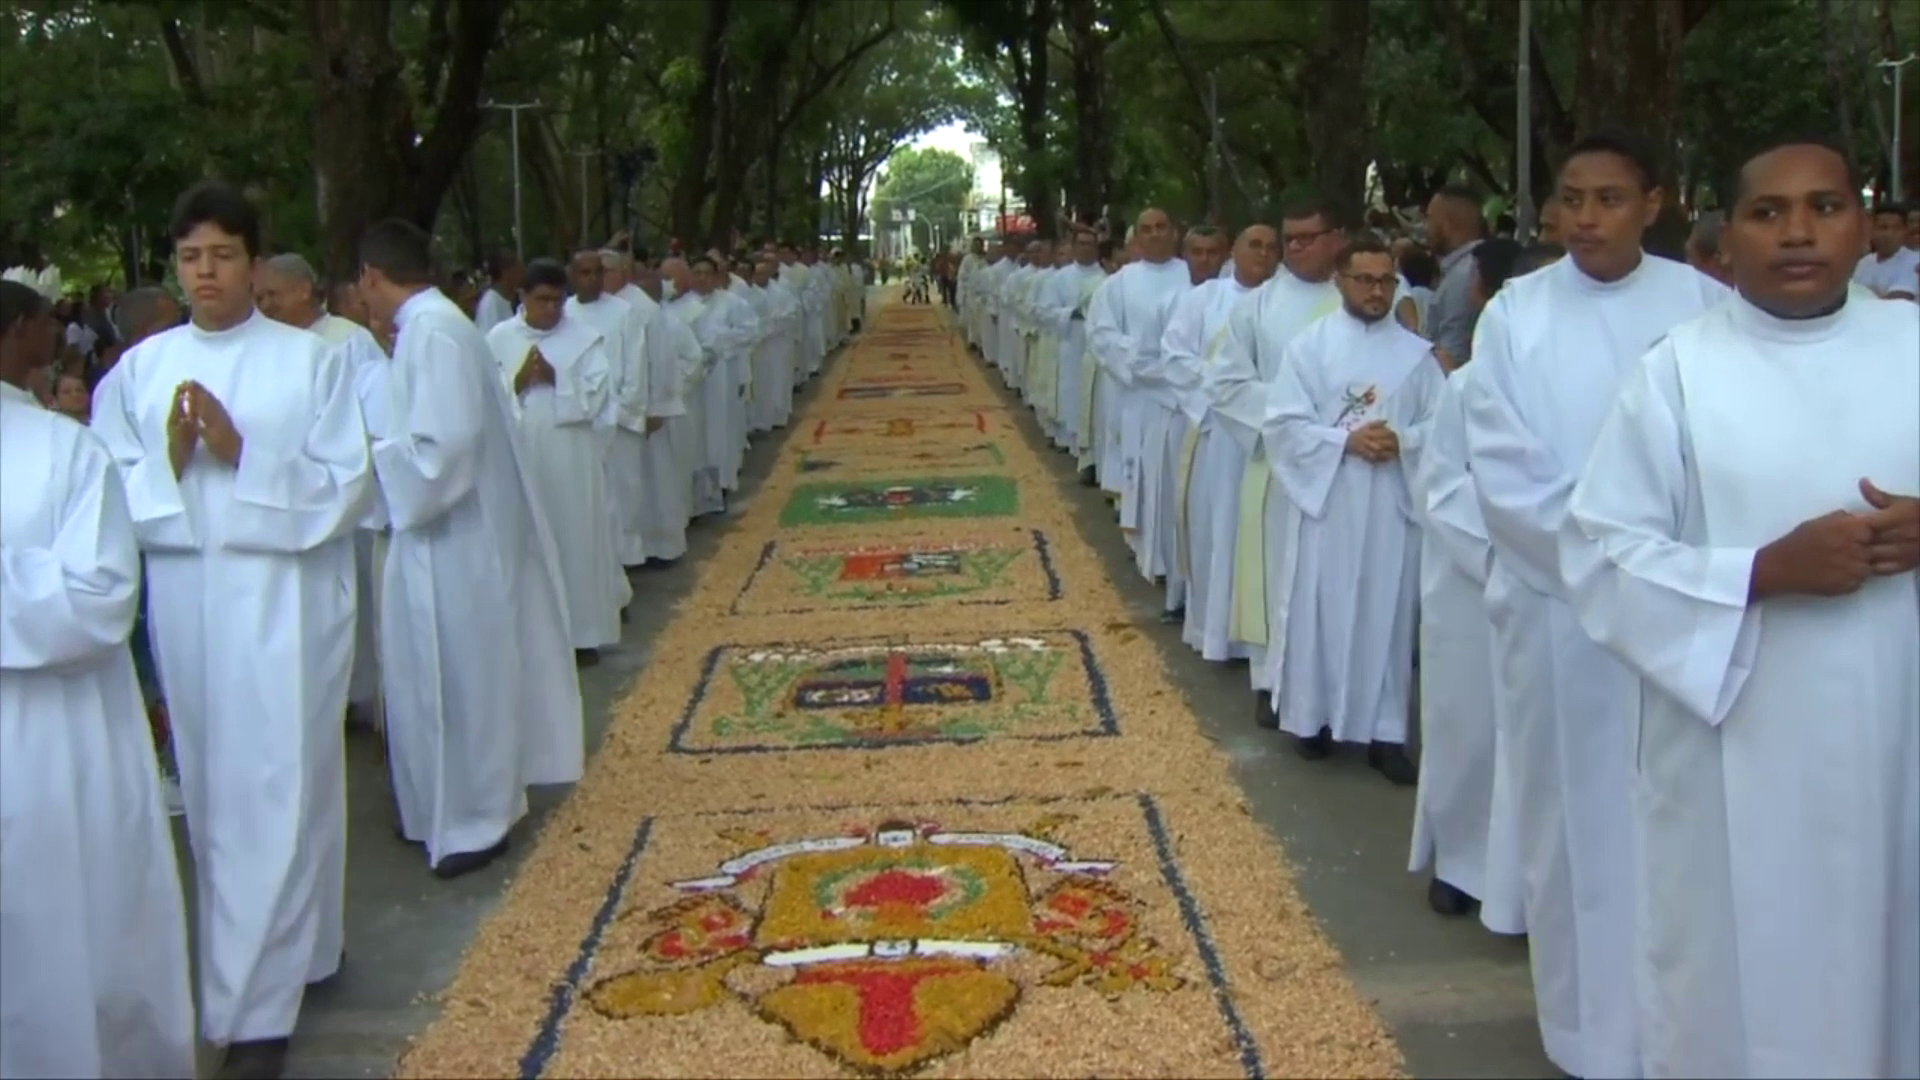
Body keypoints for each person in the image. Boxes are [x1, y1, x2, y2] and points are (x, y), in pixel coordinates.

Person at [1561, 136, 1918, 1079]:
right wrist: (1761, 571)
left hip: (1899, 737)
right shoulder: (1675, 372)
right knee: (1745, 979)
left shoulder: (1914, 344)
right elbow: (1599, 554)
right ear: (1726, 236)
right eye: (1769, 213)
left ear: (1862, 222)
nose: (1799, 232)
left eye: (1826, 207)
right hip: (1737, 743)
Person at [1460, 132, 1730, 1080]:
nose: (1583, 218)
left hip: (1679, 619)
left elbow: (1722, 465)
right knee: (1572, 826)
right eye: (1570, 198)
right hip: (1559, 612)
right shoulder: (1517, 316)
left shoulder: (1706, 309)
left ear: (1653, 203)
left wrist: (1667, 577)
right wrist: (1611, 568)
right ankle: (1586, 1037)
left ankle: (1685, 1030)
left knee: (1676, 826)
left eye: (1609, 198)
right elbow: (1503, 471)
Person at [88, 181, 373, 1080]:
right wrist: (170, 461)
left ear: (255, 262)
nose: (204, 272)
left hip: (286, 599)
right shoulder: (138, 370)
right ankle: (296, 953)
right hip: (190, 603)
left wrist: (242, 453)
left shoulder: (312, 361)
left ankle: (252, 1010)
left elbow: (347, 483)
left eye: (222, 254)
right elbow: (104, 492)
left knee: (282, 783)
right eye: (189, 257)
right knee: (219, 795)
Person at [0, 279, 197, 1080]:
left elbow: (96, 600)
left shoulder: (61, 450)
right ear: (18, 337)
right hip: (50, 736)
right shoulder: (64, 449)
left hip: (52, 723)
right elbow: (97, 595)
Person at [356, 220, 585, 877]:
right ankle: (442, 810)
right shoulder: (434, 328)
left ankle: (473, 819)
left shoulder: (432, 333)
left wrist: (368, 465)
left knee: (461, 678)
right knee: (449, 676)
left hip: (452, 540)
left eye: (360, 285)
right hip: (453, 534)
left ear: (373, 276)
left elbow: (442, 450)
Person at [1261, 235, 1441, 782]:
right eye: (1364, 279)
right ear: (1340, 280)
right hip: (1330, 500)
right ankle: (1311, 719)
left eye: (1386, 280)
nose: (1376, 290)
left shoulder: (1417, 357)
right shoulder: (1309, 348)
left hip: (1391, 503)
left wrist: (1405, 442)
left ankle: (1385, 733)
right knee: (1321, 606)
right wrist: (1344, 443)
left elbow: (1448, 425)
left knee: (1386, 613)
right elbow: (1284, 425)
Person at [1215, 196, 1346, 728]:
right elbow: (1226, 385)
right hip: (1278, 466)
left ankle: (1343, 691)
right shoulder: (1256, 307)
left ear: (1336, 237)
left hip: (1351, 468)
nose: (1295, 248)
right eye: (1289, 238)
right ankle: (1273, 682)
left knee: (1341, 581)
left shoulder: (1367, 295)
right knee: (1277, 574)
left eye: (1308, 237)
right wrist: (1299, 421)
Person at [253, 253, 392, 729]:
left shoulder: (348, 342)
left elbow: (374, 418)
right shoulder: (266, 348)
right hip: (287, 498)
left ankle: (365, 700)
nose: (265, 304)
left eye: (273, 294)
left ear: (305, 290)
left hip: (344, 497)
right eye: (261, 296)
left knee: (354, 607)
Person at [485, 259, 627, 668]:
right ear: (523, 297)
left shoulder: (584, 338)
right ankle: (530, 636)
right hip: (521, 455)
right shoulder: (498, 338)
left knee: (575, 537)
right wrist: (517, 383)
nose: (551, 309)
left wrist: (557, 379)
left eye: (558, 301)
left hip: (572, 454)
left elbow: (600, 395)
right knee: (526, 542)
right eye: (542, 300)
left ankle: (581, 634)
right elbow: (486, 396)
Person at [1161, 223, 1276, 662]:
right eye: (1254, 245)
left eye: (1271, 247)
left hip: (1270, 438)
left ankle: (1262, 639)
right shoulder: (1203, 301)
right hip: (1218, 436)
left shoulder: (1285, 305)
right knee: (1218, 527)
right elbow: (1174, 355)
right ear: (1237, 251)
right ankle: (1217, 631)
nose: (1262, 254)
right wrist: (1227, 393)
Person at [1088, 209, 1190, 553]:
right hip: (1139, 395)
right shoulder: (1118, 284)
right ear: (1136, 238)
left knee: (1181, 479)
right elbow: (1102, 334)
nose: (1155, 234)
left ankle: (1179, 556)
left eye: (1162, 227)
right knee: (1144, 478)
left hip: (1187, 398)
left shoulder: (1194, 276)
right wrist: (1140, 359)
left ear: (1174, 233)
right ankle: (1147, 552)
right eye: (1147, 229)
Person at [1422, 186, 1488, 365]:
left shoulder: (1464, 275)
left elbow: (1452, 356)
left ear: (1446, 223)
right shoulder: (1469, 267)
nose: (1424, 227)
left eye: (1428, 218)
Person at [1852, 202, 1919, 301]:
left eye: (1897, 228)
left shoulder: (1914, 262)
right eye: (1883, 227)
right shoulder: (1864, 263)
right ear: (1871, 229)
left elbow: (1895, 303)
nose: (1889, 234)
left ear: (1905, 230)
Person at [473, 250, 522, 334]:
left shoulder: (512, 299)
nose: (522, 272)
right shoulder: (490, 303)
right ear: (506, 272)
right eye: (518, 268)